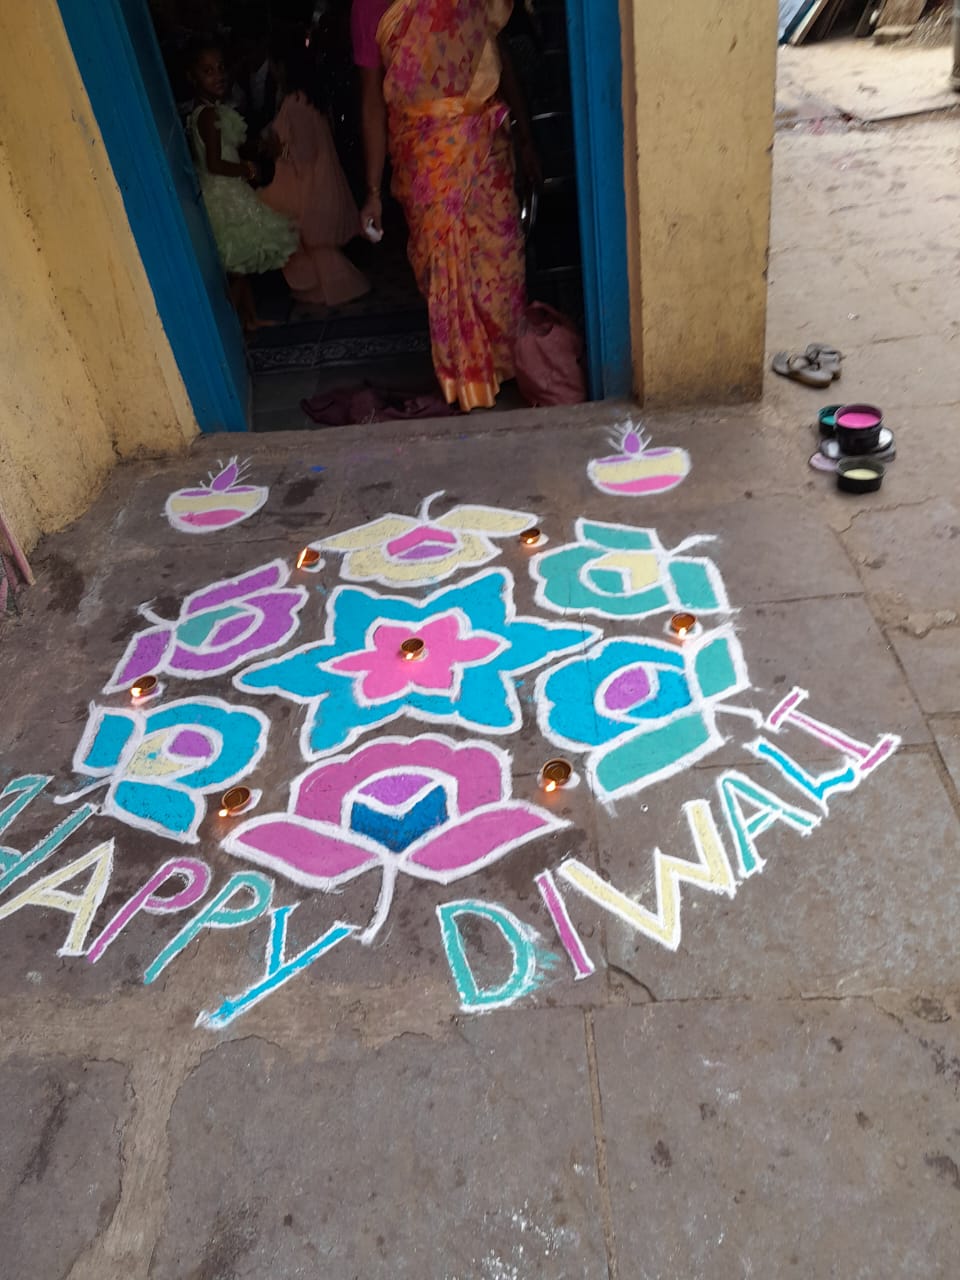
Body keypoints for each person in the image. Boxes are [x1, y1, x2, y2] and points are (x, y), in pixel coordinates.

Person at [352, 0, 538, 411]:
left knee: (500, 261)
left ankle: (510, 369)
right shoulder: (368, 7)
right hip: (424, 156)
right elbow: (371, 102)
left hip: (485, 145)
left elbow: (496, 55)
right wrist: (372, 191)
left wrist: (526, 139)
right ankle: (469, 381)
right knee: (444, 269)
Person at [185, 41, 298, 330]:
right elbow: (214, 163)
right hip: (223, 195)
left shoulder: (211, 111)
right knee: (236, 269)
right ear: (193, 77)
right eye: (208, 71)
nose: (218, 75)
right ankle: (228, 327)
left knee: (241, 268)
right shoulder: (208, 115)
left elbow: (228, 148)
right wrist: (246, 169)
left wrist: (255, 149)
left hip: (229, 191)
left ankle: (249, 318)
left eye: (221, 68)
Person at [260, 41, 370, 310]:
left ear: (282, 67)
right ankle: (322, 289)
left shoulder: (296, 103)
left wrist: (275, 149)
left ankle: (327, 289)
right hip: (312, 185)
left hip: (307, 189)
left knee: (275, 220)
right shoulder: (309, 100)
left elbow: (304, 153)